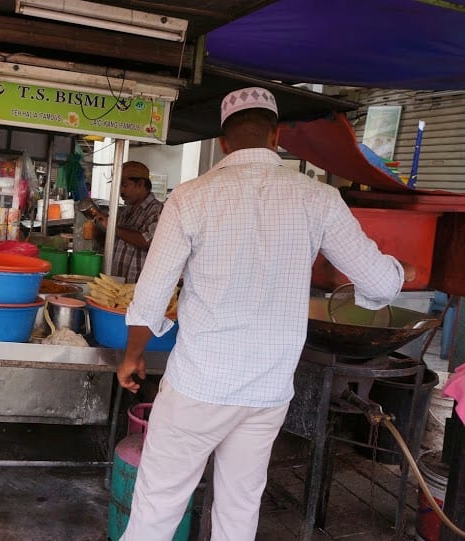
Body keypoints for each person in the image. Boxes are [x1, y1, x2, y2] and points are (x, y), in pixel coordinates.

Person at [116, 87, 415, 541]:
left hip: (199, 383)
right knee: (239, 510)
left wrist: (134, 353)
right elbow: (378, 283)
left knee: (158, 504)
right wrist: (402, 272)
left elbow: (154, 292)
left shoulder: (190, 198)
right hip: (267, 388)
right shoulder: (319, 200)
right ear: (276, 136)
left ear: (222, 143)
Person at [94, 161, 163, 283]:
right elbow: (114, 241)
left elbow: (147, 241)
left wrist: (112, 227)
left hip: (137, 286)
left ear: (140, 184)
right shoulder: (126, 211)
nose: (120, 190)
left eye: (124, 185)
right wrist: (101, 228)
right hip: (116, 282)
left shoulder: (157, 210)